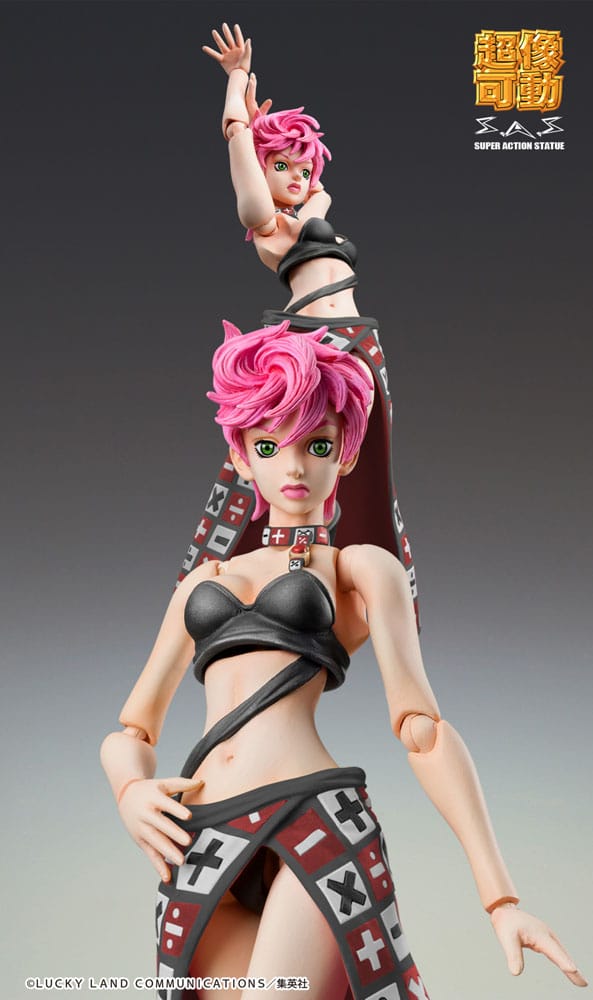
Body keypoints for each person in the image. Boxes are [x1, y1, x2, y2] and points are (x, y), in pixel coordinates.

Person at [101, 322, 585, 1000]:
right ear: (241, 457)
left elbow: (423, 731)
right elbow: (133, 729)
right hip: (198, 840)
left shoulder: (359, 568)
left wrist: (501, 899)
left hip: (311, 817)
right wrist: (129, 790)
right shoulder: (201, 581)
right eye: (268, 446)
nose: (294, 467)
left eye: (318, 444)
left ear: (348, 453)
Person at [177, 24, 419, 629]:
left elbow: (318, 190)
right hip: (316, 340)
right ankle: (258, 587)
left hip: (362, 343)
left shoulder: (312, 207)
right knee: (283, 446)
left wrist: (276, 137)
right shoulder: (269, 226)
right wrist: (238, 105)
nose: (294, 175)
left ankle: (364, 597)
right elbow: (246, 167)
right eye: (279, 166)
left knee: (370, 471)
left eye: (301, 166)